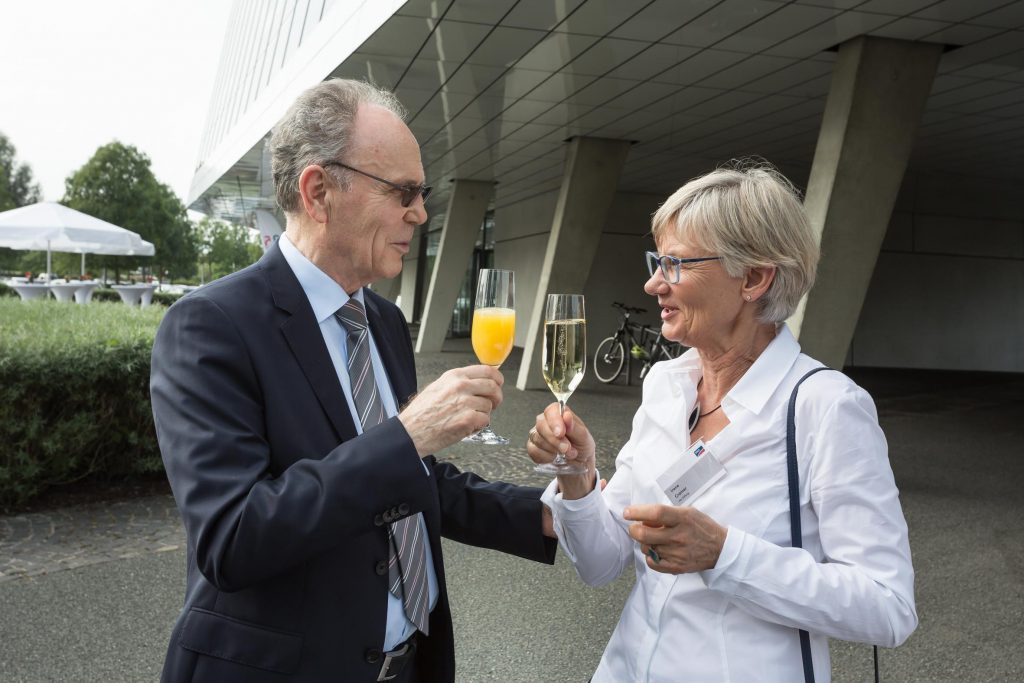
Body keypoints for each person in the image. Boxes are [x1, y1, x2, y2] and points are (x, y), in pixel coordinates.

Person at [150, 78, 556, 683]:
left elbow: (412, 482)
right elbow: (233, 537)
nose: (420, 213)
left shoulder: (384, 321)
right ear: (318, 192)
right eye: (403, 192)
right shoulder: (210, 326)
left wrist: (548, 515)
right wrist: (409, 434)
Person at [527, 162, 917, 681]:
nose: (651, 284)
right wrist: (576, 476)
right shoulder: (667, 387)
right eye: (656, 260)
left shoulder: (825, 407)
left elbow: (888, 608)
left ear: (754, 278)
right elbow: (601, 563)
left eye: (674, 264)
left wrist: (725, 554)